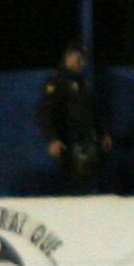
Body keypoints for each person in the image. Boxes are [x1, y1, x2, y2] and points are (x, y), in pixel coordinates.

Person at [37, 43, 109, 195]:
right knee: (73, 185)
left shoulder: (81, 83)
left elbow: (91, 112)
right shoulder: (56, 81)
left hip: (86, 141)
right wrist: (53, 139)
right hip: (68, 142)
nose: (80, 62)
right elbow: (45, 113)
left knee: (88, 184)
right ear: (67, 57)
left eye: (82, 59)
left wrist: (103, 134)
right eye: (77, 58)